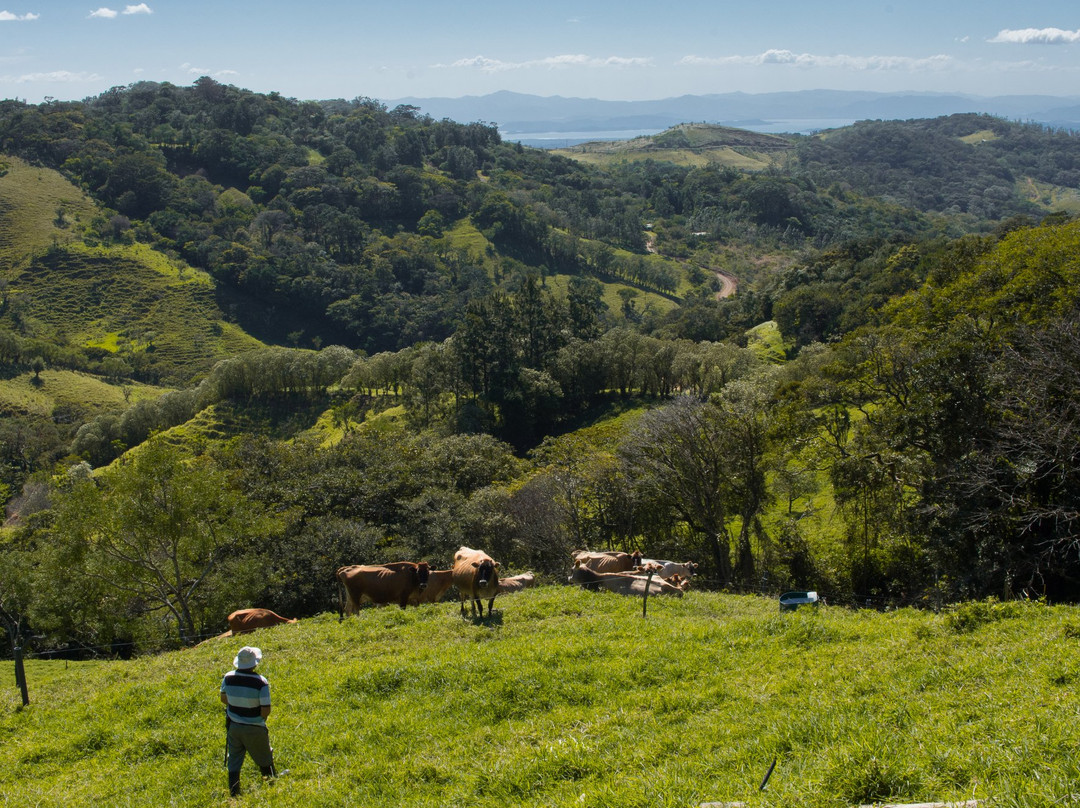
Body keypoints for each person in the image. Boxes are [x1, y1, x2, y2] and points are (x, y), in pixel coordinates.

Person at [219, 645, 276, 797]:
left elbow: (224, 698)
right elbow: (266, 709)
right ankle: (271, 784)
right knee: (264, 755)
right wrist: (259, 719)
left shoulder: (228, 677)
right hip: (254, 726)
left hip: (234, 725)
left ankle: (234, 791)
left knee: (235, 758)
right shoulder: (261, 682)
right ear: (255, 663)